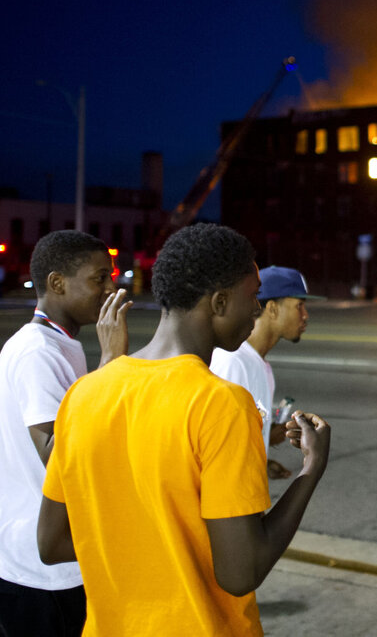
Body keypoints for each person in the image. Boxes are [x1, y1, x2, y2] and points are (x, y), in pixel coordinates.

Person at [37, 223, 331, 635]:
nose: (255, 311)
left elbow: (51, 544)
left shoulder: (84, 394)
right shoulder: (220, 402)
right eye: (252, 298)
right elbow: (241, 572)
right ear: (219, 302)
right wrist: (309, 471)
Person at [0, 230, 130, 637]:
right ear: (57, 282)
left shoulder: (58, 345)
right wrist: (110, 363)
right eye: (99, 278)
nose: (111, 288)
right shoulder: (38, 352)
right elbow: (61, 458)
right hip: (29, 573)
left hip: (46, 562)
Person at [211, 266, 324, 479]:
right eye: (299, 306)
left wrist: (262, 461)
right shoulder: (233, 362)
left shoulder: (259, 364)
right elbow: (218, 451)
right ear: (272, 308)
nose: (305, 316)